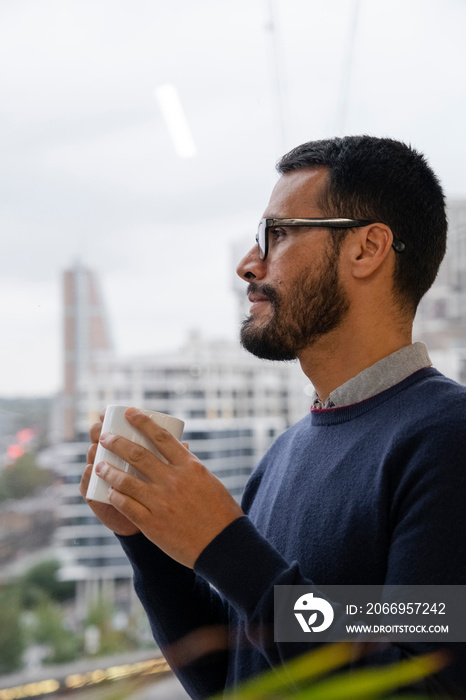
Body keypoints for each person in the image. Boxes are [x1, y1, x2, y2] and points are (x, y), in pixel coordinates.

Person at [80, 135, 466, 698]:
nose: (248, 264)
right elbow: (232, 680)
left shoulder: (446, 442)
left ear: (367, 248)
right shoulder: (284, 454)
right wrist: (146, 540)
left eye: (278, 233)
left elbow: (413, 683)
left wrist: (223, 543)